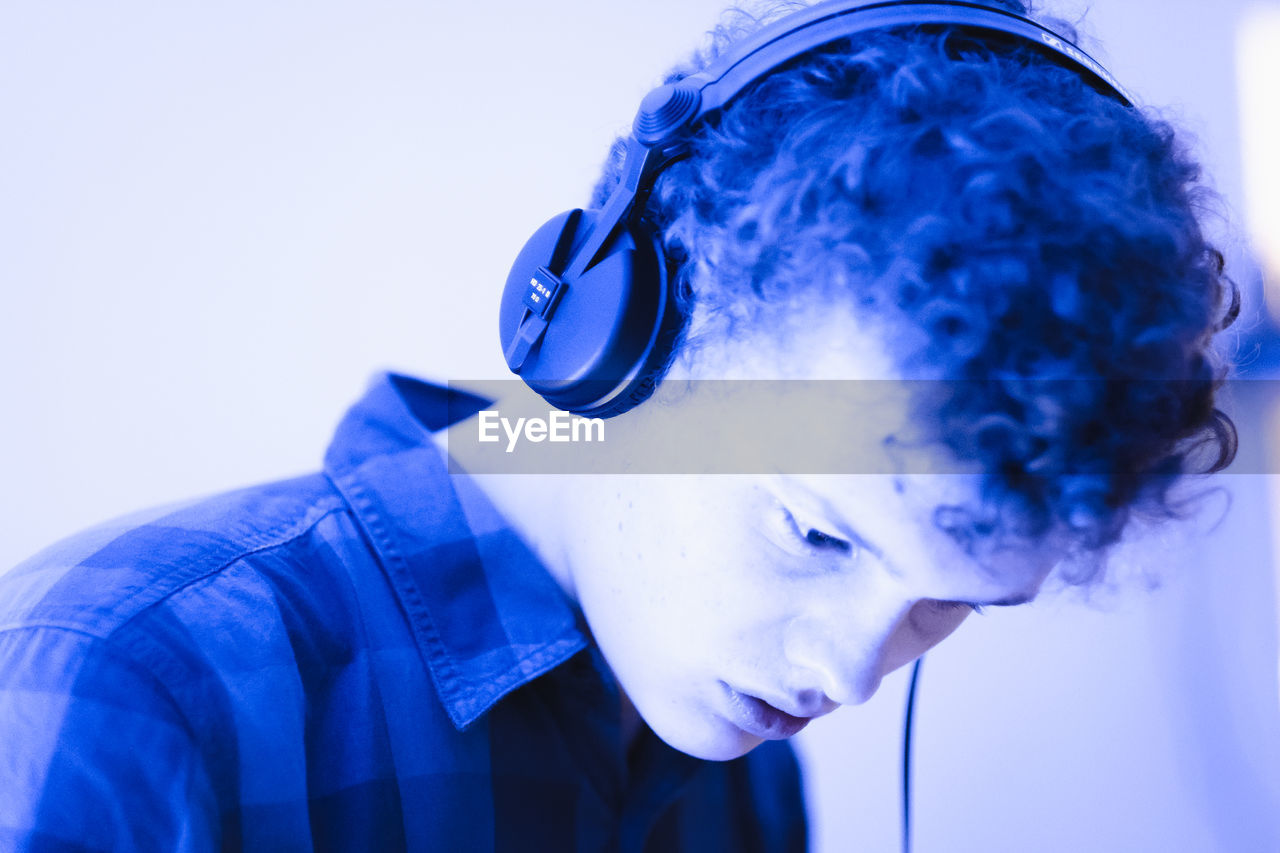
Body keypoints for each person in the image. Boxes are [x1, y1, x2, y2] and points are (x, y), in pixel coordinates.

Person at [0, 1, 1237, 851]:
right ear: (616, 342)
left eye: (949, 601)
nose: (854, 673)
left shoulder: (736, 774)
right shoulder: (120, 677)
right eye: (815, 535)